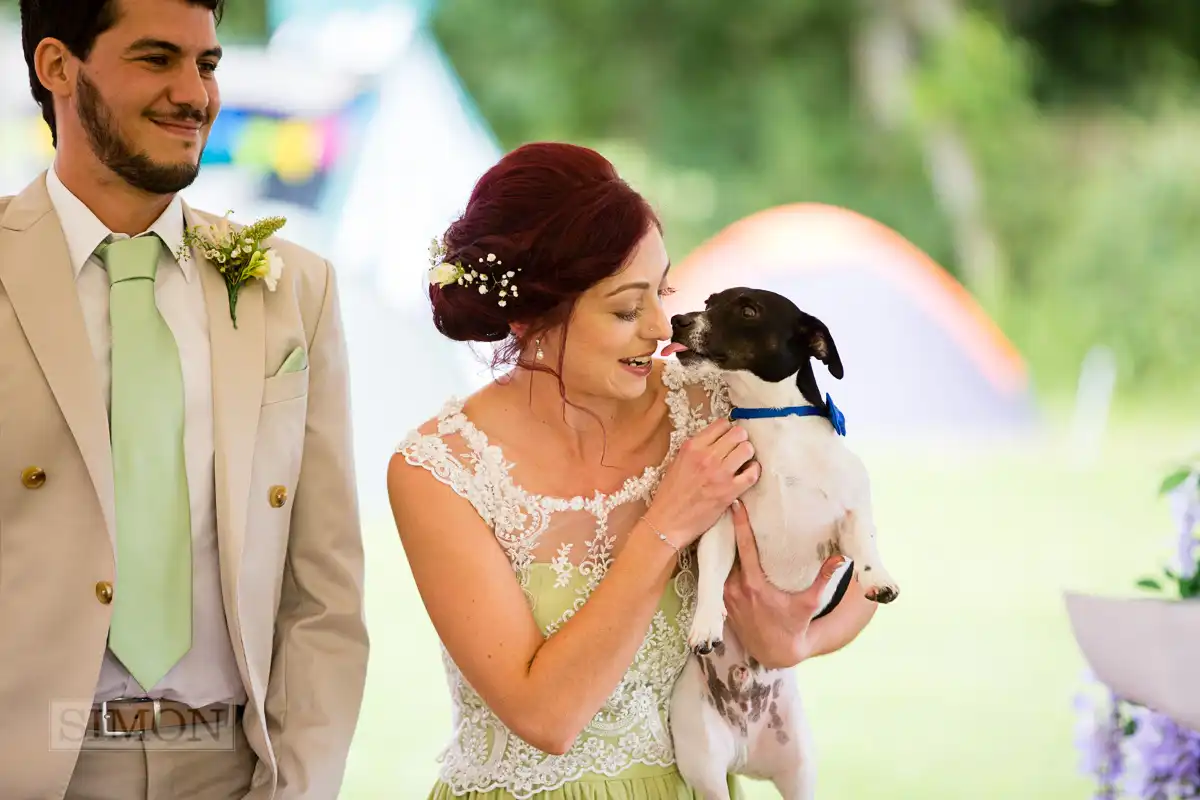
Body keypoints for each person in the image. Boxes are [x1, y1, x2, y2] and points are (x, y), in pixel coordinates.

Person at [388, 141, 879, 798]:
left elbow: (855, 555)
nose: (660, 327)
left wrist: (799, 641)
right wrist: (666, 525)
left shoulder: (715, 403)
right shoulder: (439, 471)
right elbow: (546, 716)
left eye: (663, 290)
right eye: (626, 308)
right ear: (531, 315)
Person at [1, 0, 369, 797]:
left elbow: (325, 588)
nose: (194, 94)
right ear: (58, 67)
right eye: (155, 59)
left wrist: (300, 786)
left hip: (231, 771)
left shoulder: (294, 286)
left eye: (206, 64)